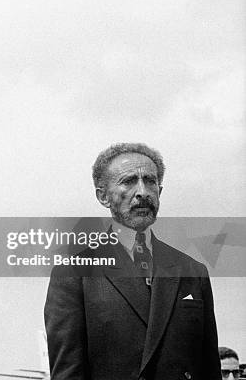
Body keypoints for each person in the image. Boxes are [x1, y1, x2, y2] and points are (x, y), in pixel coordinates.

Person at [44, 142, 220, 379]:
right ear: (103, 196)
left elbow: (209, 368)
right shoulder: (74, 274)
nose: (143, 192)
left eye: (150, 181)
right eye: (128, 181)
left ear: (160, 190)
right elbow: (68, 372)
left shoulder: (191, 271)